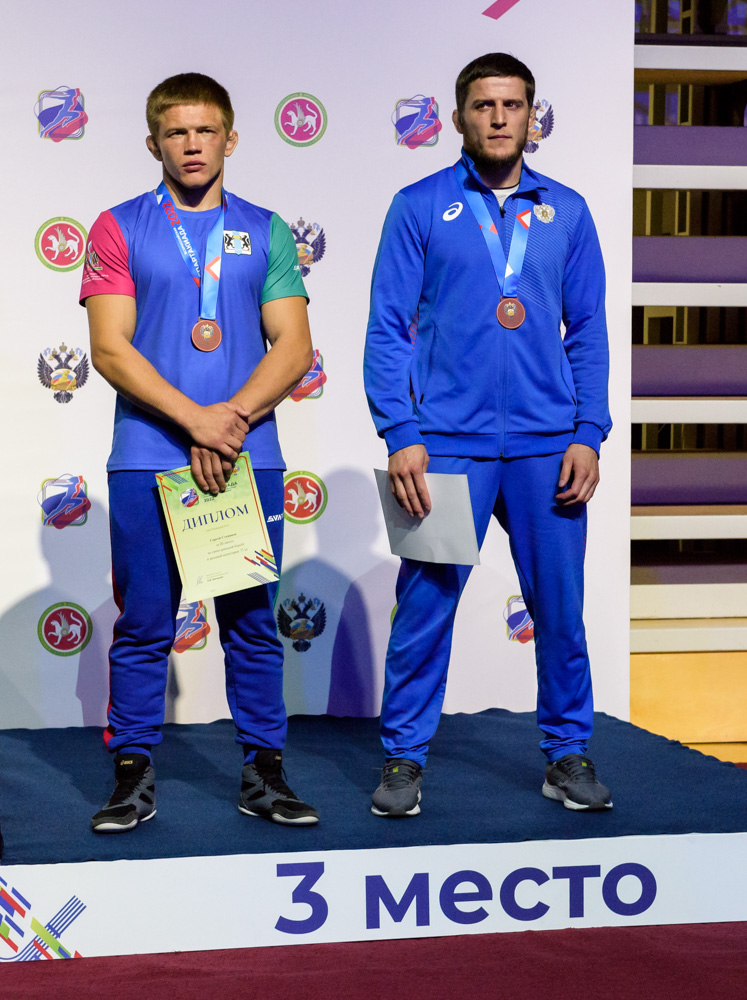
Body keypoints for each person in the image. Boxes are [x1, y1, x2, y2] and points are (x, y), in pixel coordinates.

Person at [363, 53, 613, 816]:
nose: (498, 117)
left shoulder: (567, 211)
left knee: (559, 610)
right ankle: (403, 759)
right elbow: (386, 329)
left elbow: (588, 331)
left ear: (532, 117)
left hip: (547, 447)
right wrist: (400, 430)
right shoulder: (418, 205)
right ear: (457, 118)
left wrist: (587, 432)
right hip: (444, 444)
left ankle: (566, 752)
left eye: (511, 105)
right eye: (482, 105)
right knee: (424, 608)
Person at [80, 73, 319, 831]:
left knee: (250, 623)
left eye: (205, 131)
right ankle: (132, 774)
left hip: (247, 455)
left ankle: (264, 772)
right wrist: (197, 423)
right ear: (153, 143)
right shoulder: (117, 226)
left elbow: (295, 346)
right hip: (149, 455)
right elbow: (109, 348)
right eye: (176, 132)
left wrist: (231, 421)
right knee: (146, 623)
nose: (192, 145)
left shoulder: (265, 230)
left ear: (230, 139)